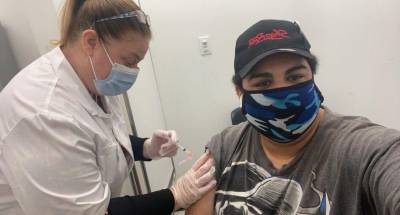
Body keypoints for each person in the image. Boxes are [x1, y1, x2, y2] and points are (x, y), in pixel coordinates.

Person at [0, 0, 216, 214]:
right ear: (91, 42)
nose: (133, 71)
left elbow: (100, 139)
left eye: (137, 62)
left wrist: (147, 147)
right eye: (129, 60)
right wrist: (177, 195)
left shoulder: (96, 77)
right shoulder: (42, 114)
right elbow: (91, 212)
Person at [186, 19, 400, 215]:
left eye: (295, 77)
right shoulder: (225, 146)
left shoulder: (363, 149)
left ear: (312, 77)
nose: (283, 93)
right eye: (263, 83)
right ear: (240, 92)